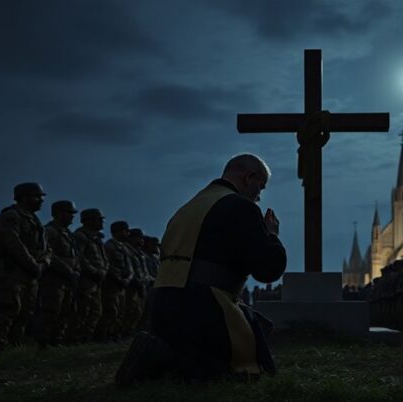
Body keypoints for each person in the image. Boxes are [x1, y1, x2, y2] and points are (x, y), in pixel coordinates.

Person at [116, 153, 286, 385]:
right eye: (261, 187)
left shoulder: (185, 209)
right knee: (237, 369)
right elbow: (267, 270)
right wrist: (272, 236)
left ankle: (161, 351)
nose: (259, 196)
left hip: (161, 307)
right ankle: (163, 359)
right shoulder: (241, 207)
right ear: (249, 177)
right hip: (205, 307)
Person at [0, 182, 51, 349]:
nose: (41, 200)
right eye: (37, 196)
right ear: (24, 197)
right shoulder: (11, 216)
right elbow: (13, 244)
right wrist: (34, 265)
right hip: (12, 272)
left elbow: (47, 249)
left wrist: (44, 263)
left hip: (30, 274)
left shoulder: (36, 221)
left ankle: (14, 345)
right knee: (9, 309)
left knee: (26, 312)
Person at [37, 200, 80, 348]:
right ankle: (43, 341)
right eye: (69, 213)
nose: (72, 216)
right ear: (59, 213)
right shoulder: (49, 230)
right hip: (54, 278)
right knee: (51, 310)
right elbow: (48, 254)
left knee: (65, 311)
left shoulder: (69, 234)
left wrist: (76, 270)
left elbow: (75, 256)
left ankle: (57, 340)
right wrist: (68, 270)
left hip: (68, 279)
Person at [71, 208, 109, 343]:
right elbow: (79, 257)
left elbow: (105, 260)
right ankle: (75, 338)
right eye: (99, 219)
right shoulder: (80, 236)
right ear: (90, 220)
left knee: (95, 311)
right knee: (83, 310)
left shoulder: (97, 239)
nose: (102, 222)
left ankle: (85, 338)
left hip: (96, 280)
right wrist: (95, 271)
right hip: (85, 279)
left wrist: (104, 270)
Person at [97, 221, 133, 342]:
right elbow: (107, 265)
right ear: (118, 231)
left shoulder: (125, 248)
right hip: (112, 284)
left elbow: (130, 268)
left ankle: (113, 335)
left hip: (122, 285)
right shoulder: (109, 246)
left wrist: (128, 278)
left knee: (121, 311)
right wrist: (119, 278)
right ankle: (103, 335)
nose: (127, 233)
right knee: (111, 311)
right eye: (125, 231)